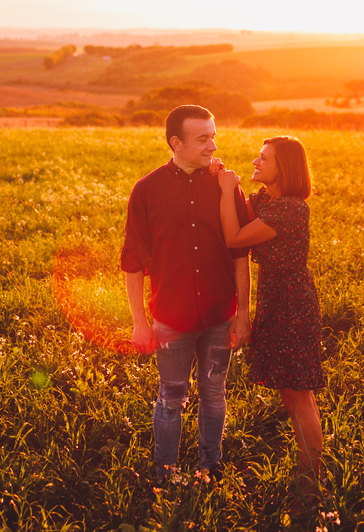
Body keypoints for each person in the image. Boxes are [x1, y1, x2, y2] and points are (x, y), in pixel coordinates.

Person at [121, 105, 251, 483]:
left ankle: (211, 468)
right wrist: (139, 323)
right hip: (171, 319)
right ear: (176, 143)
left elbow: (240, 253)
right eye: (203, 138)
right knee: (170, 399)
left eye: (214, 135)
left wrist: (243, 314)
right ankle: (165, 474)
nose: (213, 145)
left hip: (218, 316)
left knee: (214, 394)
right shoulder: (146, 190)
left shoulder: (225, 184)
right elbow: (132, 261)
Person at [215, 136, 326, 507]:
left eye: (264, 158)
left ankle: (312, 480)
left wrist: (229, 187)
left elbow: (235, 236)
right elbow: (240, 209)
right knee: (289, 394)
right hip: (275, 299)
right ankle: (306, 468)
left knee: (300, 395)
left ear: (286, 168)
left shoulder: (292, 209)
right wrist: (227, 183)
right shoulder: (267, 201)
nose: (256, 161)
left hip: (292, 303)